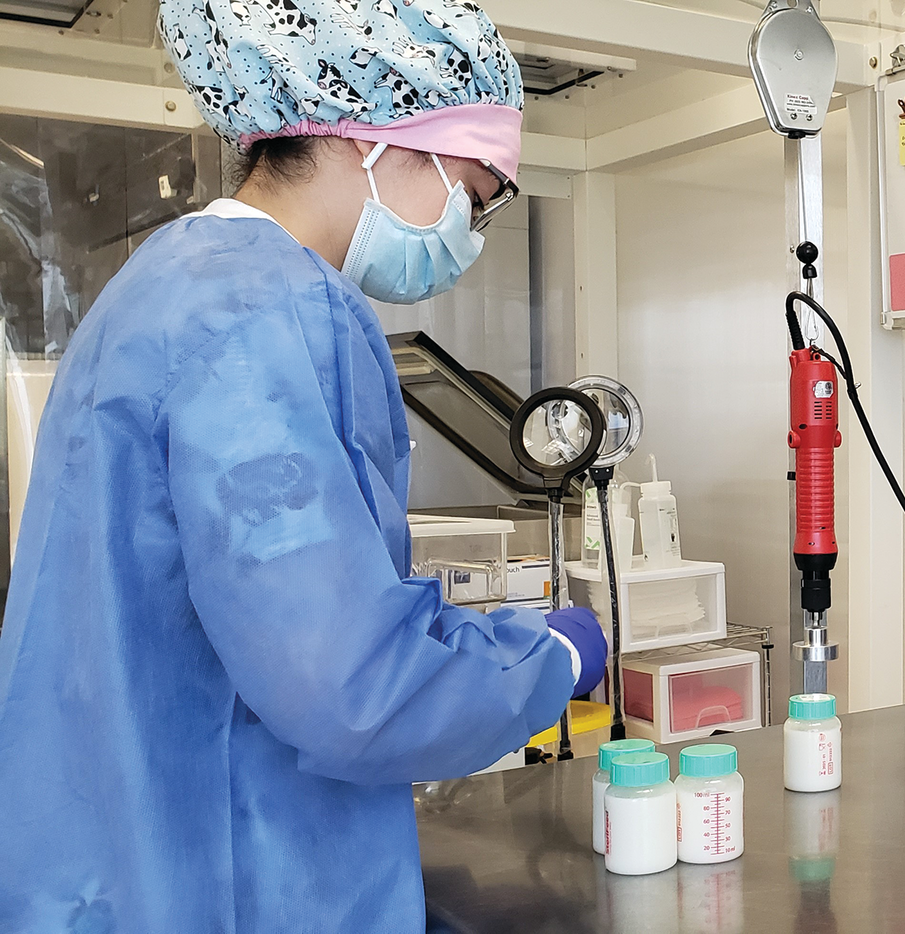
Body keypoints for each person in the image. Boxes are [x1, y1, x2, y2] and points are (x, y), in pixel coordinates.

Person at [0, 2, 608, 930]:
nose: (470, 235)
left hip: (111, 861)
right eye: (477, 196)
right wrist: (547, 663)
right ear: (389, 139)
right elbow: (353, 687)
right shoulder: (268, 315)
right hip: (230, 876)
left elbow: (279, 606)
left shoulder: (159, 288)